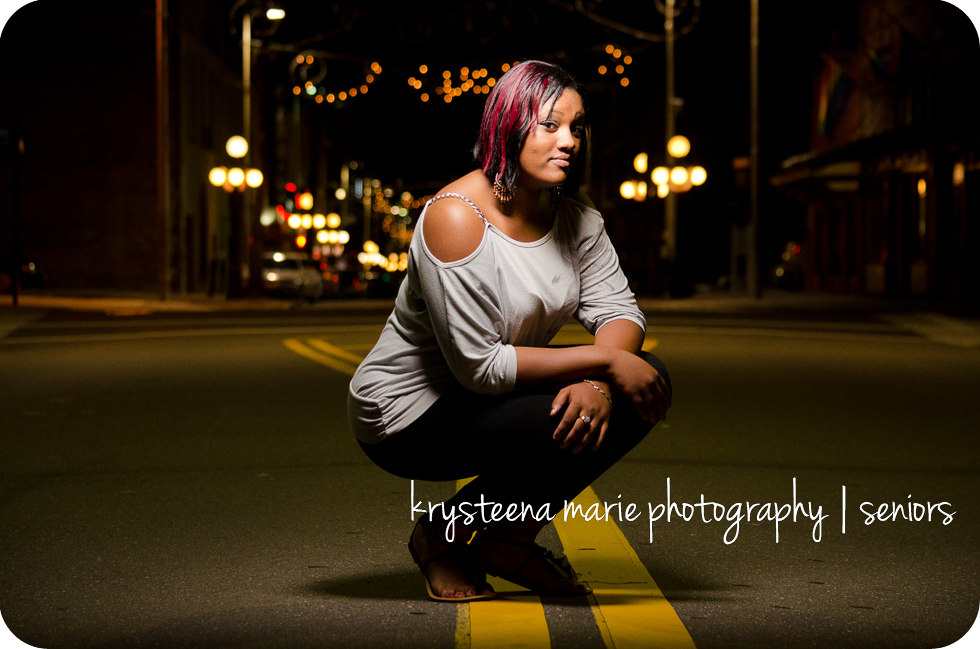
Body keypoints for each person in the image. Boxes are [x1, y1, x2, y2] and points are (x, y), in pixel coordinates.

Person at [347, 60, 672, 602]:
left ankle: (507, 541)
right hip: (407, 415)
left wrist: (597, 383)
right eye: (549, 125)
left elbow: (619, 311)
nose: (568, 141)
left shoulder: (577, 218)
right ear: (508, 125)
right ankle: (441, 535)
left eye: (577, 126)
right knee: (609, 384)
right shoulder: (454, 218)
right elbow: (481, 368)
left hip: (490, 397)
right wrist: (605, 364)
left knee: (644, 382)